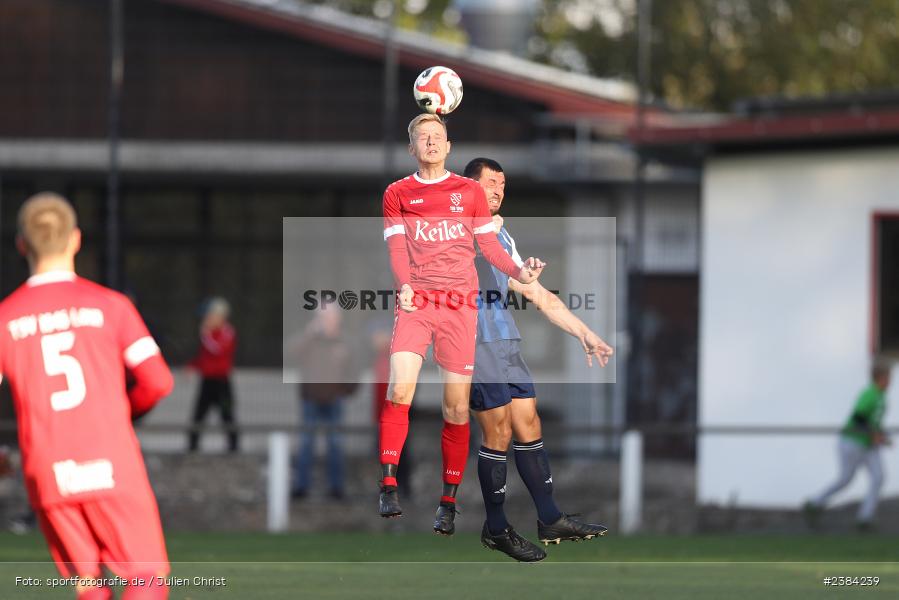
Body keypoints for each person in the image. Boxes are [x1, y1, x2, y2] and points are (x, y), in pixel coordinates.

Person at [0, 193, 173, 598]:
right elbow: (158, 381)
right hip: (110, 461)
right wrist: (123, 413)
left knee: (90, 587)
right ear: (75, 239)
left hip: (48, 471)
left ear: (22, 245)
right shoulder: (111, 306)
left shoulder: (5, 318)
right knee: (146, 579)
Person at [380, 113, 546, 535]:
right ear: (412, 148)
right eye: (423, 137)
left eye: (437, 136)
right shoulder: (397, 193)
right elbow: (397, 249)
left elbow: (489, 246)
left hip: (459, 308)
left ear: (449, 146)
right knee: (399, 389)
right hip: (417, 302)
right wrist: (404, 285)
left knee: (455, 408)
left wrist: (519, 271)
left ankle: (448, 502)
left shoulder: (469, 192)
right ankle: (388, 485)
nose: (431, 142)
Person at [463, 158, 614, 562]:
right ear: (468, 186)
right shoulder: (454, 224)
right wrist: (479, 228)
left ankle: (550, 517)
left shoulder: (501, 233)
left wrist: (584, 333)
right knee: (497, 431)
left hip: (505, 341)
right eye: (490, 182)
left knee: (528, 422)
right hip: (473, 342)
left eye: (502, 184)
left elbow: (538, 294)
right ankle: (496, 527)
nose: (498, 190)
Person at [804, 363, 891, 531]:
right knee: (845, 479)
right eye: (887, 377)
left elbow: (873, 421)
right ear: (879, 378)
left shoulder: (882, 396)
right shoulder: (870, 393)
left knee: (878, 477)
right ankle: (814, 503)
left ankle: (865, 519)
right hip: (852, 441)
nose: (890, 381)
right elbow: (858, 417)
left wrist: (882, 436)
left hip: (868, 445)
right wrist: (874, 434)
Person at [289, 305, 357, 500]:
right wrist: (308, 335)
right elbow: (290, 354)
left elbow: (353, 370)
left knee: (335, 444)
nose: (327, 321)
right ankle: (302, 487)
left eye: (330, 317)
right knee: (306, 443)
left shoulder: (345, 342)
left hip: (334, 401)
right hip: (310, 400)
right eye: (323, 317)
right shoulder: (309, 340)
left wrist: (346, 391)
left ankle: (336, 488)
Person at [187, 297, 238, 453]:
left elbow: (218, 350)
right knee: (199, 414)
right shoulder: (208, 334)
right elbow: (203, 356)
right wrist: (192, 366)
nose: (207, 319)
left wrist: (206, 335)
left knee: (227, 414)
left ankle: (233, 447)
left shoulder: (227, 332)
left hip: (221, 382)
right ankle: (193, 447)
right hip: (207, 381)